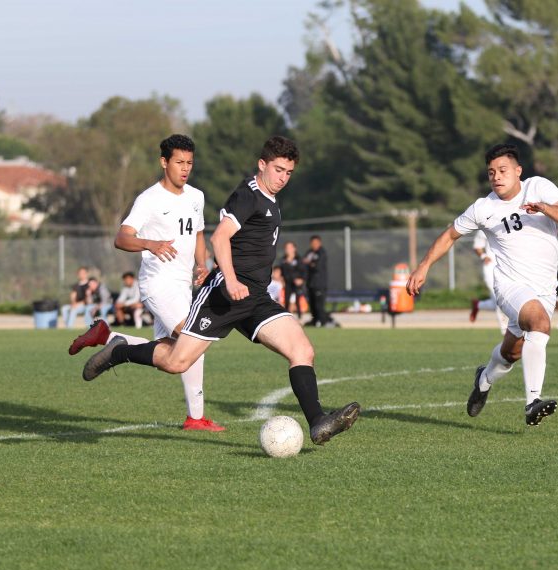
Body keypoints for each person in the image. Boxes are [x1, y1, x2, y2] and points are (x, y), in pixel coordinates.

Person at [80, 136, 360, 445]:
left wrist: (210, 268)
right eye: (278, 170)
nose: (283, 178)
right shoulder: (248, 195)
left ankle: (318, 422)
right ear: (262, 164)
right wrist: (229, 279)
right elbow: (220, 237)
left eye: (288, 172)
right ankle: (120, 351)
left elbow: (205, 237)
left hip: (255, 298)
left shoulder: (269, 199)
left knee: (302, 350)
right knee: (177, 362)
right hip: (224, 296)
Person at [406, 143, 558, 426]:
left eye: (502, 170)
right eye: (491, 173)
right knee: (539, 323)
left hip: (544, 289)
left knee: (511, 353)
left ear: (518, 171)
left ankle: (484, 379)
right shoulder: (483, 208)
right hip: (510, 286)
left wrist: (544, 208)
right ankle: (532, 401)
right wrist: (424, 265)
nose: (497, 177)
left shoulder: (539, 187)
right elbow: (450, 235)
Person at [68, 134, 223, 432]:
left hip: (181, 285)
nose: (185, 168)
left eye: (189, 162)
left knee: (173, 353)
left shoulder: (196, 196)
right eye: (179, 162)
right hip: (158, 283)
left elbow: (199, 235)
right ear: (164, 162)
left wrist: (201, 265)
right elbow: (121, 237)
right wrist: (150, 243)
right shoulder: (149, 199)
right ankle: (195, 418)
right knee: (193, 339)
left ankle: (110, 338)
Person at [469, 230, 508, 334]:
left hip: (509, 266)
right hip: (491, 267)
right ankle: (506, 332)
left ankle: (478, 305)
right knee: (500, 299)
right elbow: (478, 246)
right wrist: (483, 256)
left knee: (504, 300)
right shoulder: (485, 225)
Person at [303, 235, 335, 327]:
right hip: (310, 283)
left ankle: (322, 321)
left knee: (319, 304)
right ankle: (314, 321)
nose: (314, 245)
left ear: (320, 243)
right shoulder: (309, 252)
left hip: (319, 284)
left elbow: (317, 266)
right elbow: (304, 263)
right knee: (312, 304)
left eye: (316, 243)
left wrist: (309, 263)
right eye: (312, 243)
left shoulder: (322, 253)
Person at [279, 241, 307, 317]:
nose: (288, 249)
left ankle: (300, 317)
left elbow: (303, 271)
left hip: (297, 284)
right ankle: (287, 316)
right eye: (287, 248)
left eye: (290, 247)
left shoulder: (299, 259)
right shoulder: (283, 260)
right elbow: (281, 272)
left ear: (294, 248)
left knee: (298, 300)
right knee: (287, 300)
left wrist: (301, 280)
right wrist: (281, 279)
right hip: (288, 283)